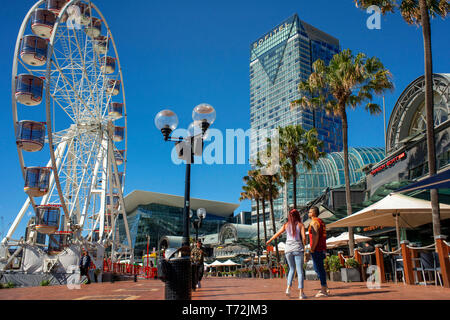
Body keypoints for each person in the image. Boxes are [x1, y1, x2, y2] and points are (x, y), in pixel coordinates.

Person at [266, 208, 307, 299]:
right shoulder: (300, 225)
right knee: (300, 272)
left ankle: (288, 288)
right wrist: (305, 246)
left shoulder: (286, 225)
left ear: (290, 216)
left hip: (288, 250)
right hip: (298, 249)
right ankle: (301, 293)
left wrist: (269, 240)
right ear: (297, 216)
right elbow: (304, 238)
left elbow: (277, 234)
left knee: (291, 269)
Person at [308, 206, 329, 297]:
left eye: (309, 212)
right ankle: (325, 288)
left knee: (318, 269)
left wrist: (312, 248)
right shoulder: (321, 222)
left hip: (317, 249)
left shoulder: (314, 222)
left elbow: (315, 236)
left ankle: (323, 290)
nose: (308, 213)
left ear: (313, 213)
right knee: (320, 268)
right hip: (322, 248)